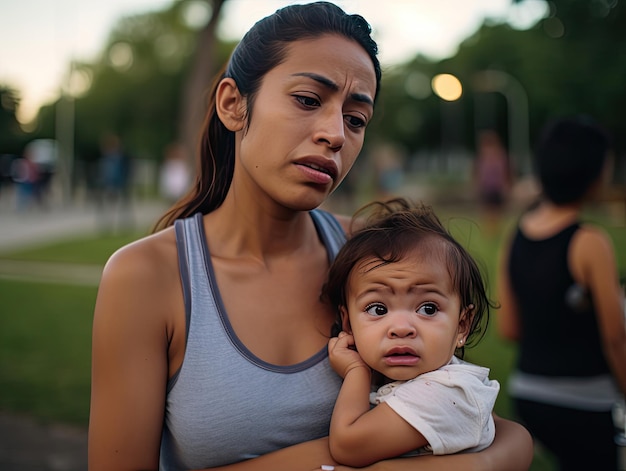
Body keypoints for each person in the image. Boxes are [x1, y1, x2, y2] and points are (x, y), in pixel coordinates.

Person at [88, 3, 533, 470]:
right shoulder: (146, 277)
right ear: (233, 104)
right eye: (307, 99)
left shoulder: (374, 259)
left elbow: (487, 427)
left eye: (356, 119)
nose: (335, 134)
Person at [323, 198, 500, 467]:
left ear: (462, 325)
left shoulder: (449, 393)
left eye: (428, 308)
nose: (401, 328)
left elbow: (348, 445)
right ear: (348, 324)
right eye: (378, 309)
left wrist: (355, 372)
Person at [497, 116, 626, 470]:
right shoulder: (590, 241)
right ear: (594, 174)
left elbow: (509, 328)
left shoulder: (517, 234)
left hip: (528, 394)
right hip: (586, 400)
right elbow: (616, 338)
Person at [473, 130, 512, 236]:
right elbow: (478, 174)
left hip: (497, 188)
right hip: (487, 188)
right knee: (488, 211)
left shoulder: (500, 157)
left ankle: (494, 231)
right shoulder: (482, 158)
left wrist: (506, 186)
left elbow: (505, 173)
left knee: (497, 212)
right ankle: (489, 232)